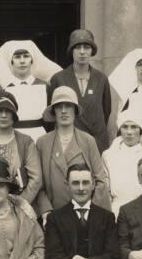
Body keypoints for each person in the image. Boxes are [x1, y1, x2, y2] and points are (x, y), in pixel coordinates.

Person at [35, 86, 110, 220]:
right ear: (53, 112)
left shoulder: (87, 141)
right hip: (55, 216)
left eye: (68, 106)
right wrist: (46, 211)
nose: (64, 111)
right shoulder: (42, 143)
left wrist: (92, 213)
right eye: (59, 106)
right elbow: (38, 184)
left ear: (75, 110)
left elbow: (100, 180)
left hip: (84, 215)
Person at [50, 29, 111, 153]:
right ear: (71, 51)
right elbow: (52, 113)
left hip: (97, 140)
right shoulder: (59, 78)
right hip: (69, 139)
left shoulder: (101, 78)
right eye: (78, 47)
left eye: (86, 47)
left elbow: (106, 110)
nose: (82, 52)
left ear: (92, 51)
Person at [0, 40, 60, 142]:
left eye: (26, 56)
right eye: (17, 57)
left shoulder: (44, 87)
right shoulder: (4, 89)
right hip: (12, 137)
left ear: (32, 60)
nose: (22, 61)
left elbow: (51, 119)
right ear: (11, 61)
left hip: (39, 138)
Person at [102, 109, 142, 215]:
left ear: (140, 130)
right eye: (125, 127)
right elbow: (105, 188)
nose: (129, 132)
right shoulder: (108, 156)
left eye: (134, 127)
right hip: (117, 210)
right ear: (120, 129)